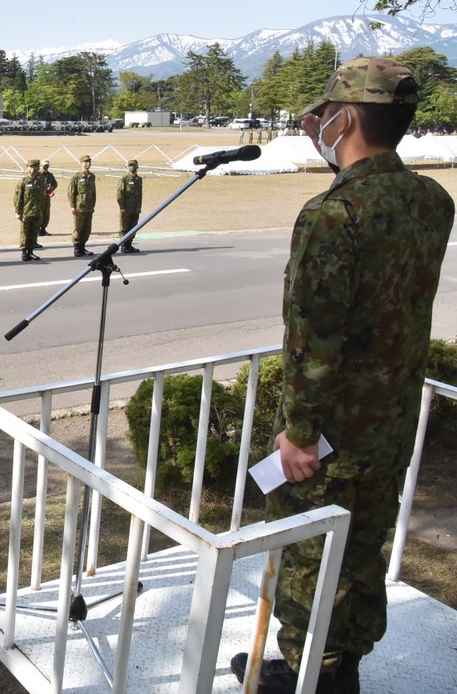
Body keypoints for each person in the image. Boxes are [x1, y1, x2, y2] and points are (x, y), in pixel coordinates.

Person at [230, 58, 455, 694]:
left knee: (310, 557)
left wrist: (299, 434)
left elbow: (314, 340)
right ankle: (343, 668)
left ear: (345, 117)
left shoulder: (333, 213)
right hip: (388, 419)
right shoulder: (432, 200)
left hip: (330, 431)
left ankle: (310, 678)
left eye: (325, 115)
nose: (318, 125)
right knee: (362, 550)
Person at [14, 160, 46, 261]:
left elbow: (42, 197)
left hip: (37, 211)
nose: (33, 169)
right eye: (31, 167)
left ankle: (31, 251)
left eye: (35, 167)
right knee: (25, 233)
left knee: (33, 233)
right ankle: (24, 252)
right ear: (27, 168)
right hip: (26, 212)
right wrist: (18, 211)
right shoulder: (23, 182)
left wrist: (41, 210)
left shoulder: (40, 181)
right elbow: (18, 198)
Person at [68, 155, 96, 257]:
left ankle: (83, 247)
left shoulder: (92, 177)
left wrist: (93, 205)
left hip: (89, 207)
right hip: (79, 208)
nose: (87, 164)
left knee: (87, 229)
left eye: (89, 162)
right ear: (81, 164)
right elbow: (71, 192)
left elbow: (93, 193)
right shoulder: (76, 177)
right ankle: (77, 249)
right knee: (78, 229)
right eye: (85, 162)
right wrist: (72, 206)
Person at [116, 159, 143, 253]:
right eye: (130, 166)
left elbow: (140, 195)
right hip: (126, 209)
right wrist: (122, 207)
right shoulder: (124, 179)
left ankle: (129, 244)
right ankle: (124, 245)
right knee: (124, 227)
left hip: (135, 208)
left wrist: (139, 207)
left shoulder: (139, 180)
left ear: (137, 167)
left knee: (133, 227)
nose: (131, 167)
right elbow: (119, 194)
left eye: (133, 166)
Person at [39, 160, 59, 236]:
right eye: (44, 166)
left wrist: (51, 188)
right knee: (39, 214)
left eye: (47, 166)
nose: (46, 167)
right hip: (39, 198)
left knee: (46, 213)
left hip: (47, 197)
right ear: (41, 166)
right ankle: (37, 229)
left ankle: (43, 229)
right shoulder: (37, 175)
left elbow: (55, 183)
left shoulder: (50, 175)